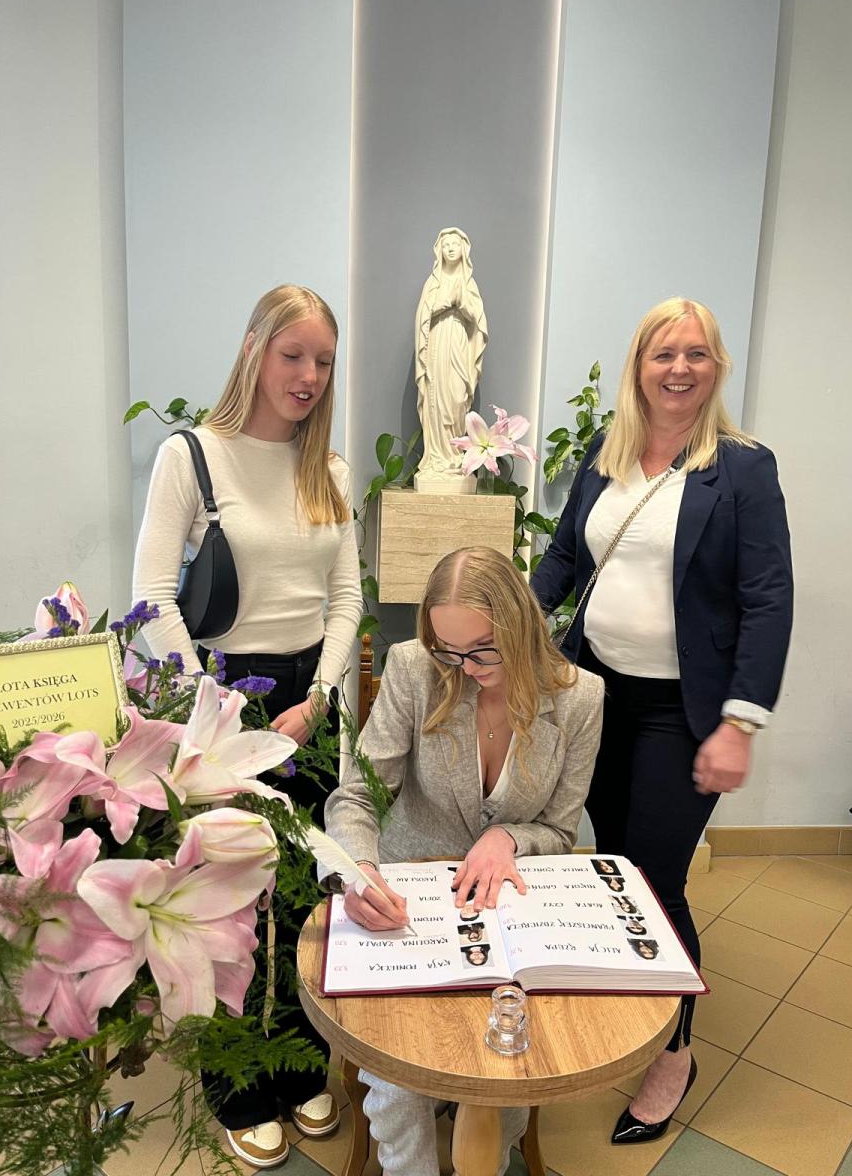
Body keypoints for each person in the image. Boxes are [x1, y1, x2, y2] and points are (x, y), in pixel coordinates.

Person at [531, 296, 793, 1145]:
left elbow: (768, 598)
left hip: (684, 712)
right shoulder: (604, 454)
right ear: (638, 367)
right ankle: (630, 1000)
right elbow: (564, 557)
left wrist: (739, 724)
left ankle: (674, 1050)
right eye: (663, 353)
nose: (679, 368)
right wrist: (510, 620)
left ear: (716, 368)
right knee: (612, 863)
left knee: (655, 880)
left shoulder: (743, 470)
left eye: (696, 354)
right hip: (596, 696)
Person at [133, 284, 362, 1168]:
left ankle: (299, 1065)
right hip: (223, 695)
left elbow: (347, 599)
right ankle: (235, 1086)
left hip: (314, 700)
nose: (307, 376)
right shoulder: (192, 457)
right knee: (232, 903)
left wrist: (325, 697)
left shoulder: (328, 469)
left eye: (323, 362)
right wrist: (213, 707)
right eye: (292, 354)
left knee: (306, 898)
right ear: (254, 350)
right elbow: (153, 599)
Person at [322, 546, 604, 1176]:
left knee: (512, 1059)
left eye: (483, 650)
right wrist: (357, 872)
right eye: (449, 650)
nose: (465, 669)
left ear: (522, 627)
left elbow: (560, 830)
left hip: (511, 911)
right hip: (410, 905)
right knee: (400, 1073)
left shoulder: (580, 698)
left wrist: (510, 838)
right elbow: (357, 795)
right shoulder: (414, 669)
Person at [414, 228, 488, 488]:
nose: (451, 248)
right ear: (440, 251)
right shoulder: (433, 283)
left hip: (458, 341)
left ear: (464, 249)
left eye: (455, 244)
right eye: (446, 245)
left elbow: (479, 322)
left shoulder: (469, 283)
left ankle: (455, 456)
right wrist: (444, 303)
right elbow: (422, 318)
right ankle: (437, 457)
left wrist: (462, 304)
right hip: (437, 343)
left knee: (457, 398)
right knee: (437, 398)